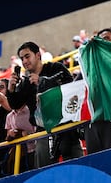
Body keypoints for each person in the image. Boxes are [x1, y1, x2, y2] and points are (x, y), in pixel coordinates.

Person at [7, 41, 83, 169]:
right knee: (44, 173)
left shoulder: (56, 68)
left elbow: (70, 87)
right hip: (43, 132)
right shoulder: (26, 82)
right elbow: (15, 104)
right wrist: (11, 90)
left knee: (78, 169)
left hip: (66, 127)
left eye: (27, 56)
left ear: (37, 55)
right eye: (22, 58)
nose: (24, 61)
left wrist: (43, 82)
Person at [83, 27, 111, 154]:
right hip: (94, 122)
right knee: (97, 164)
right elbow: (77, 86)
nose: (110, 42)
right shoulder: (87, 64)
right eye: (105, 39)